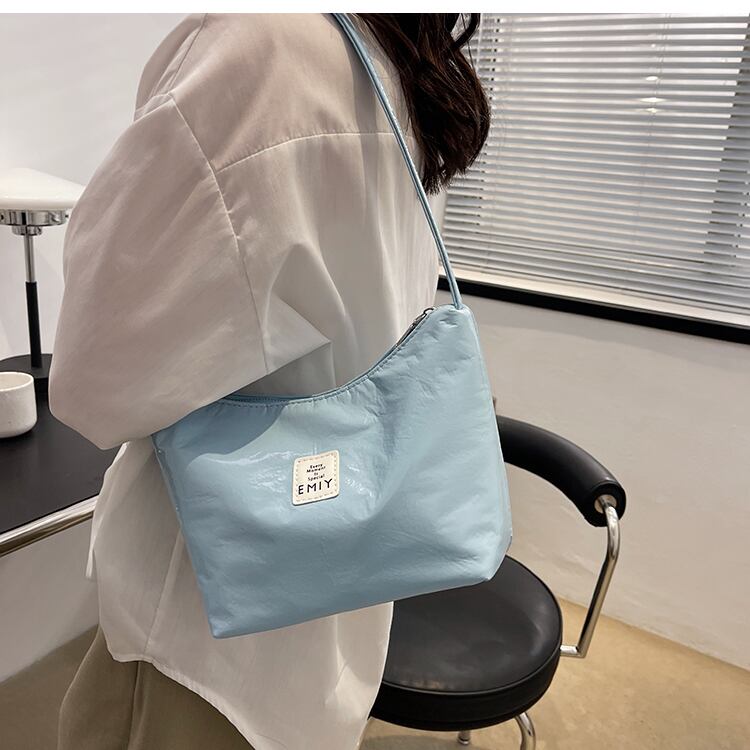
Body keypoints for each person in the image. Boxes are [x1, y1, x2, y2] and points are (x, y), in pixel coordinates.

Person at [50, 13, 489, 750]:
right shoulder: (396, 61)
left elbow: (93, 382)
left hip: (204, 629)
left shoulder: (259, 46)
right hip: (343, 585)